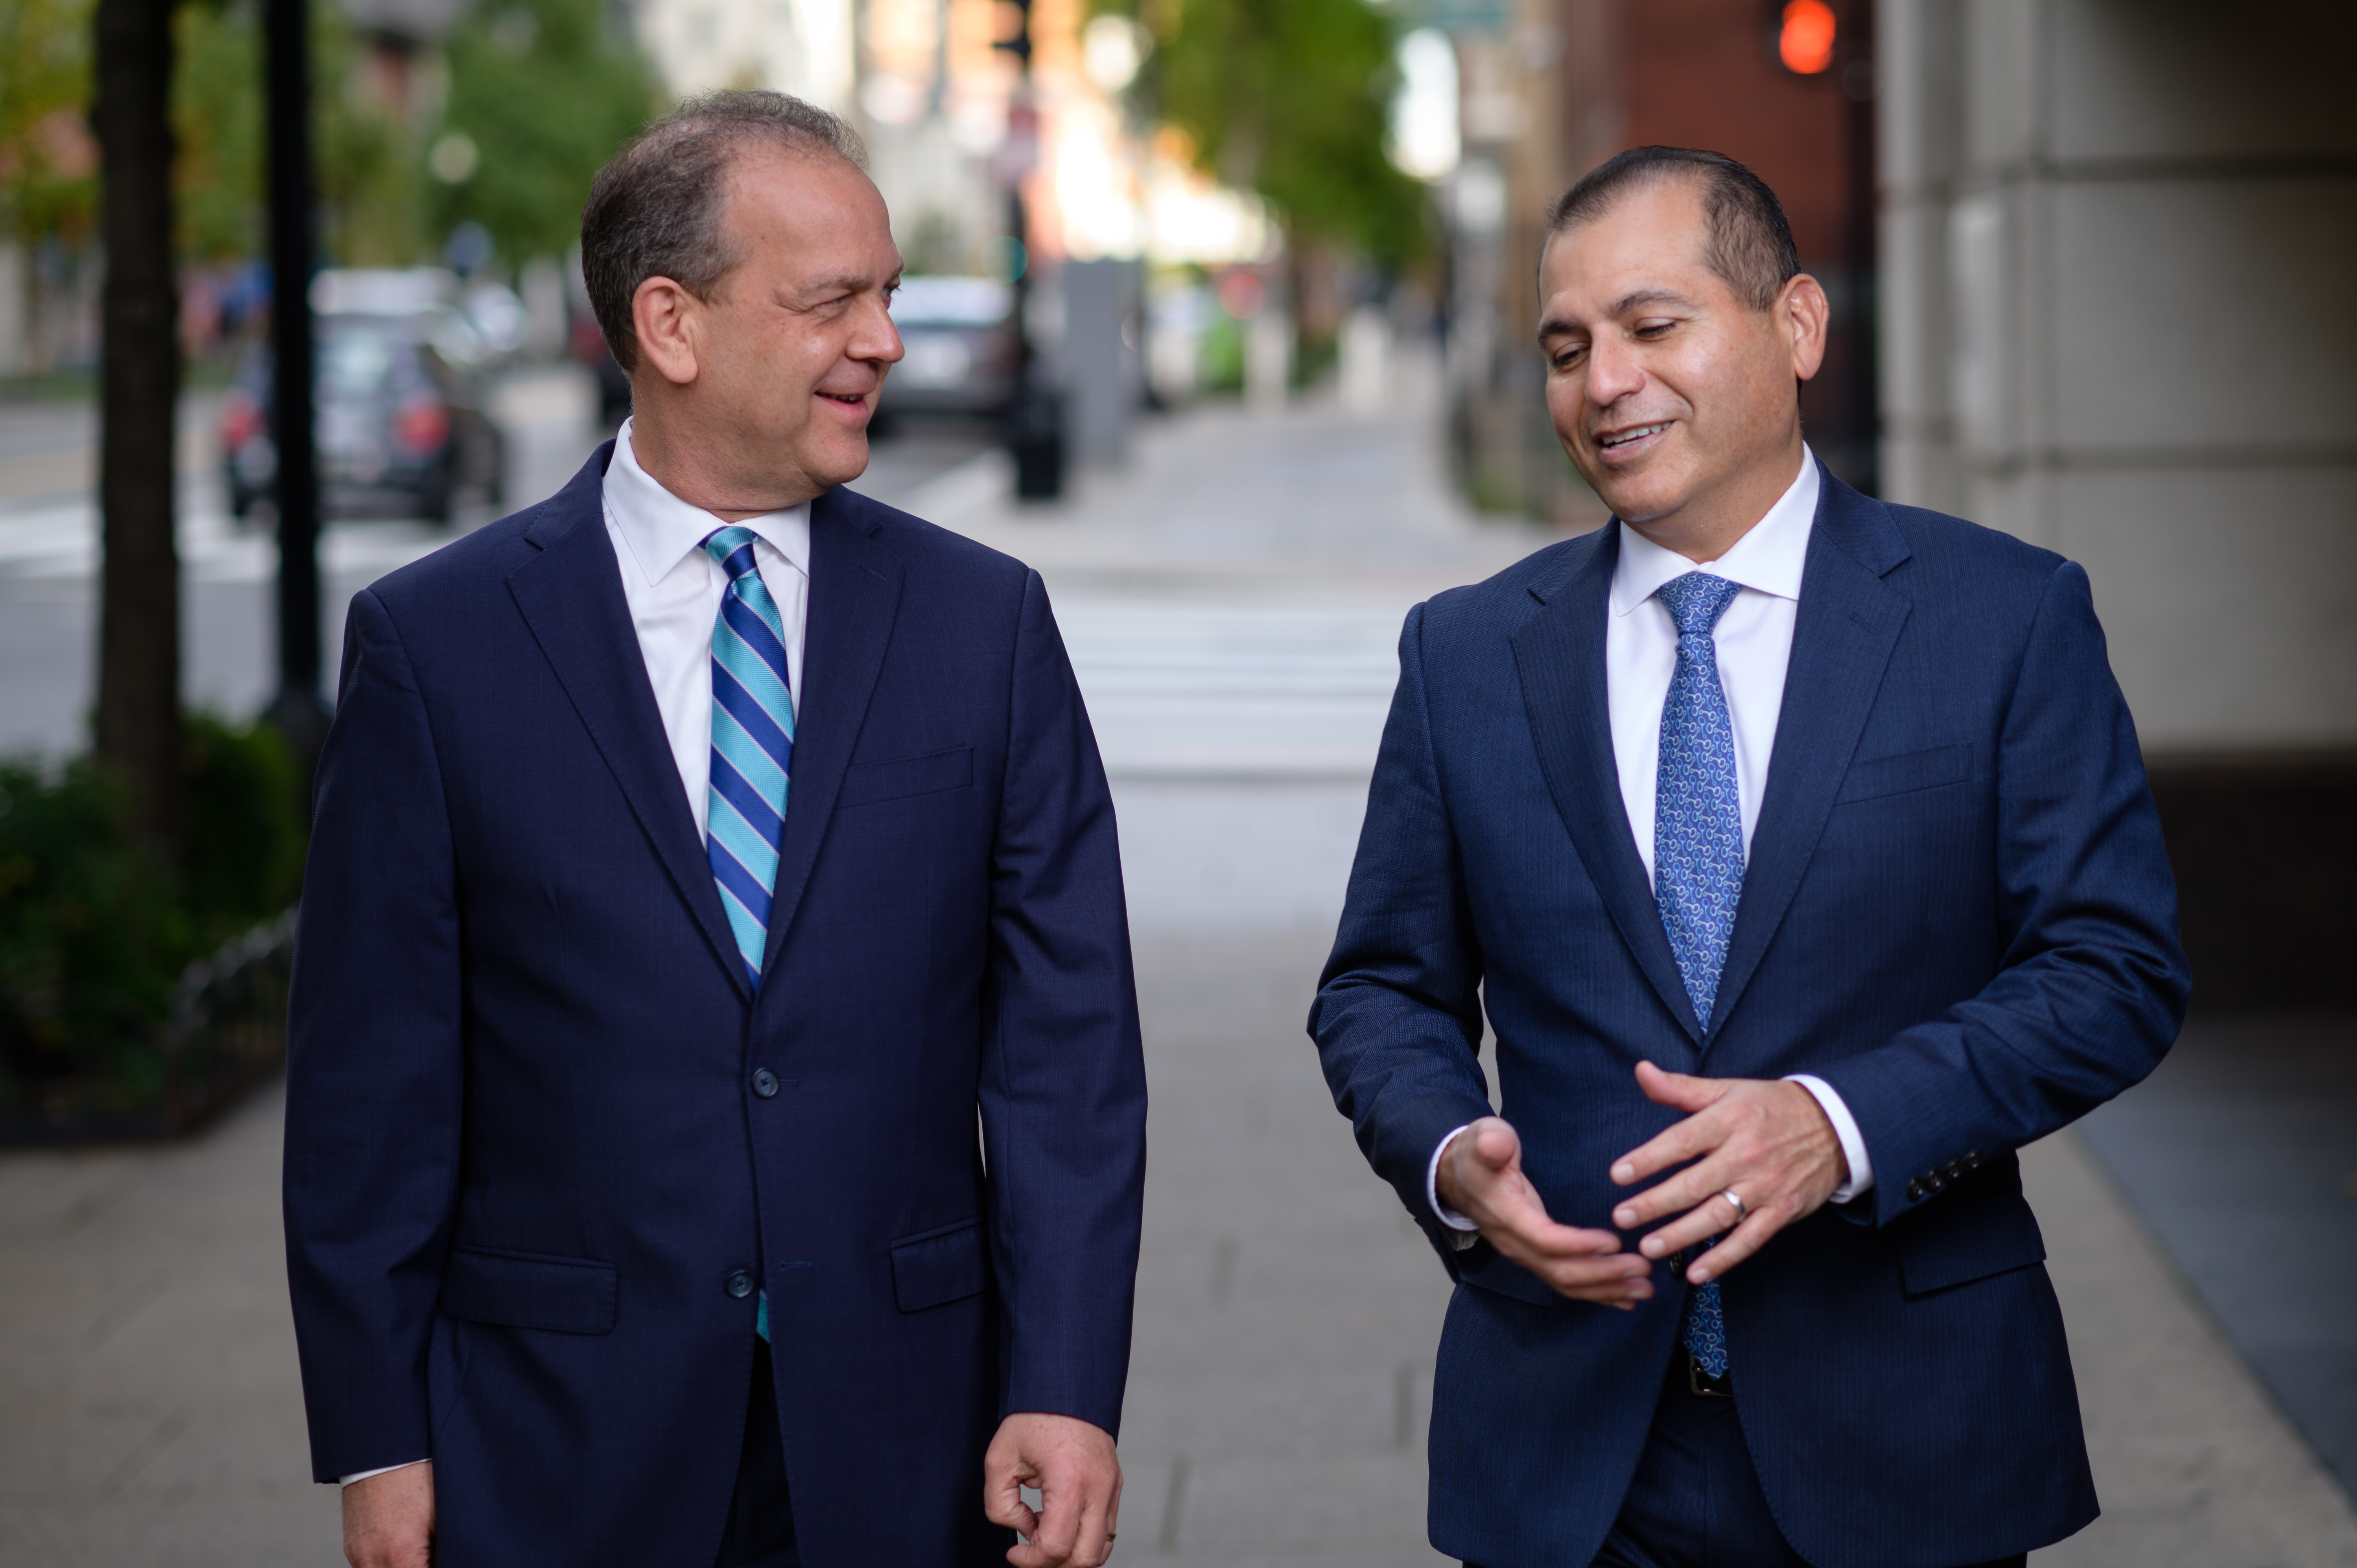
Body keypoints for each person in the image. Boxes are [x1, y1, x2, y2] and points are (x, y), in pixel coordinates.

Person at [283, 92, 1144, 1568]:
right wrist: (378, 1435)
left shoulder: (983, 626)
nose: (884, 339)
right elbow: (374, 1090)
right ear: (670, 325)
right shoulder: (437, 647)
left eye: (884, 293)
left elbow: (1067, 1052)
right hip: (554, 1440)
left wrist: (1065, 1389)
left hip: (909, 1431)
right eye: (834, 302)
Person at [1310, 146, 2187, 1568]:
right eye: (1566, 347)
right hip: (1572, 1450)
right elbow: (1380, 989)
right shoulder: (1469, 652)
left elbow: (2116, 971)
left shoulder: (2001, 618)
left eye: (1653, 328)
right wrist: (1450, 1152)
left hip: (1907, 1435)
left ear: (1796, 326)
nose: (1604, 382)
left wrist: (1836, 1124)